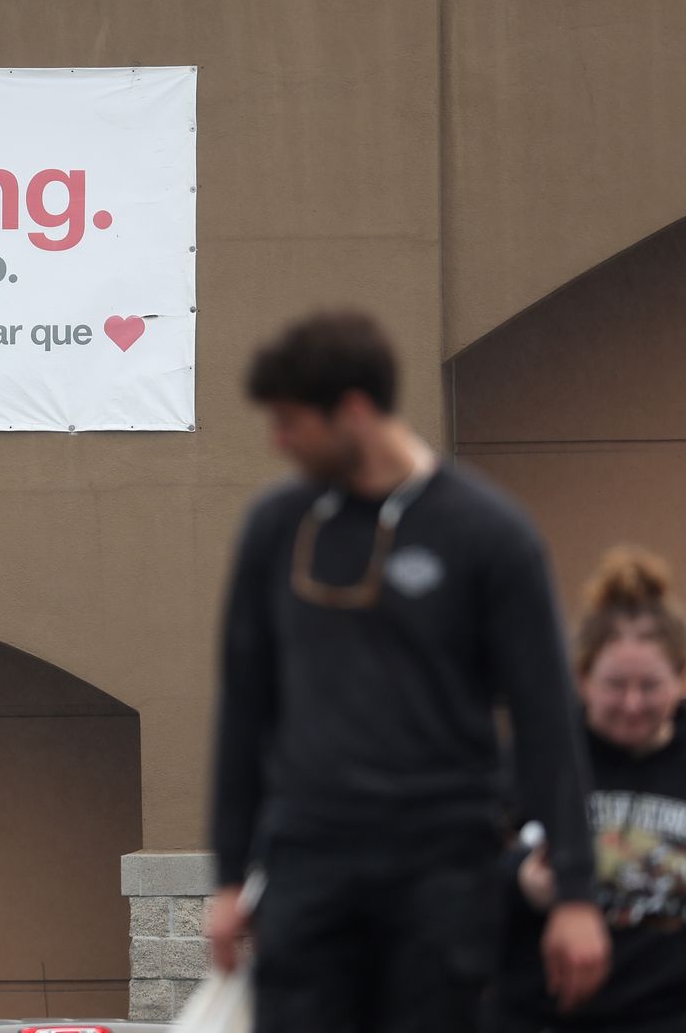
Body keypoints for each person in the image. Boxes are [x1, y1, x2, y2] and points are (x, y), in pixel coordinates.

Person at [205, 309, 610, 1032]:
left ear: (354, 410)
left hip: (442, 870)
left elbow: (546, 716)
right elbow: (244, 706)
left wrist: (576, 892)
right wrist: (230, 876)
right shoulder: (276, 529)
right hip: (309, 864)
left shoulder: (490, 534)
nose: (278, 441)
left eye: (292, 422)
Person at [493, 547, 686, 1033]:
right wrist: (520, 882)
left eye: (651, 686)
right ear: (581, 679)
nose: (632, 703)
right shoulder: (536, 756)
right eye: (615, 685)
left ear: (681, 681)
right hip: (543, 1016)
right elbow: (456, 874)